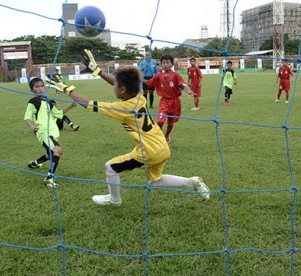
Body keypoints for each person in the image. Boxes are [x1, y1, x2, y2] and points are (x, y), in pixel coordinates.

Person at [47, 49, 210, 206]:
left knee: (110, 167)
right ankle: (191, 182)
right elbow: (122, 85)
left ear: (122, 89)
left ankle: (114, 199)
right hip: (161, 146)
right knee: (155, 181)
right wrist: (97, 71)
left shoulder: (122, 109)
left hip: (149, 151)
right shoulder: (139, 97)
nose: (113, 87)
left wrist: (65, 88)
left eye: (115, 85)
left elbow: (89, 104)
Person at [24, 77, 75, 187]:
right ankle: (49, 178)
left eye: (42, 86)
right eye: (37, 87)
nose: (40, 89)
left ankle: (34, 164)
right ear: (32, 90)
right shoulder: (33, 101)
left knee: (50, 154)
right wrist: (32, 126)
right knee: (57, 151)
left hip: (52, 134)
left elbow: (59, 114)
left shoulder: (48, 102)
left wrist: (71, 106)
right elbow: (27, 117)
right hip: (43, 132)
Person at [144, 54, 194, 144]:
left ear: (172, 64)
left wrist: (189, 91)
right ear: (161, 64)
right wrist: (137, 80)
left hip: (175, 102)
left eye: (168, 63)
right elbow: (148, 83)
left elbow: (182, 85)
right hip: (164, 101)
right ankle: (157, 138)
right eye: (163, 63)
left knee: (170, 124)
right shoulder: (158, 75)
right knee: (160, 121)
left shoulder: (176, 75)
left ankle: (167, 135)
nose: (165, 65)